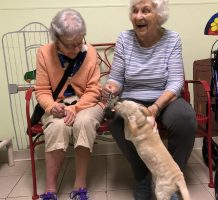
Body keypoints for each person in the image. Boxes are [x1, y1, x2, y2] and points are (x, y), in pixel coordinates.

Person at [102, 0, 197, 199]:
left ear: (159, 15)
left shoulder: (172, 39)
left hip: (165, 99)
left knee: (185, 119)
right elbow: (117, 78)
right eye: (135, 11)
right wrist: (112, 86)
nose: (138, 16)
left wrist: (155, 107)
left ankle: (170, 177)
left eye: (146, 10)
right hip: (132, 98)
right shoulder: (124, 38)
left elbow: (176, 81)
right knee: (116, 120)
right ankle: (142, 176)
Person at [35, 8, 104, 200]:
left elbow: (94, 90)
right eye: (69, 45)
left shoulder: (89, 52)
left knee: (83, 122)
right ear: (57, 39)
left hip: (87, 104)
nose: (76, 49)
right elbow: (41, 90)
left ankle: (80, 185)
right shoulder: (43, 53)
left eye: (79, 42)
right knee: (57, 126)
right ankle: (50, 189)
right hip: (57, 105)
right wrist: (51, 107)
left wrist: (75, 108)